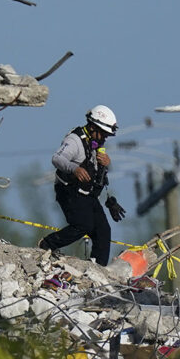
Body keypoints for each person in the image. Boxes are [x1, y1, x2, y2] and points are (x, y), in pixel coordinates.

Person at [38, 105, 126, 265]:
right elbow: (57, 158)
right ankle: (47, 244)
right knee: (82, 225)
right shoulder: (74, 141)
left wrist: (107, 163)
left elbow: (97, 170)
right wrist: (75, 169)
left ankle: (98, 268)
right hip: (69, 191)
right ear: (93, 127)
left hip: (88, 194)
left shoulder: (96, 143)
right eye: (103, 134)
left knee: (103, 231)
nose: (104, 138)